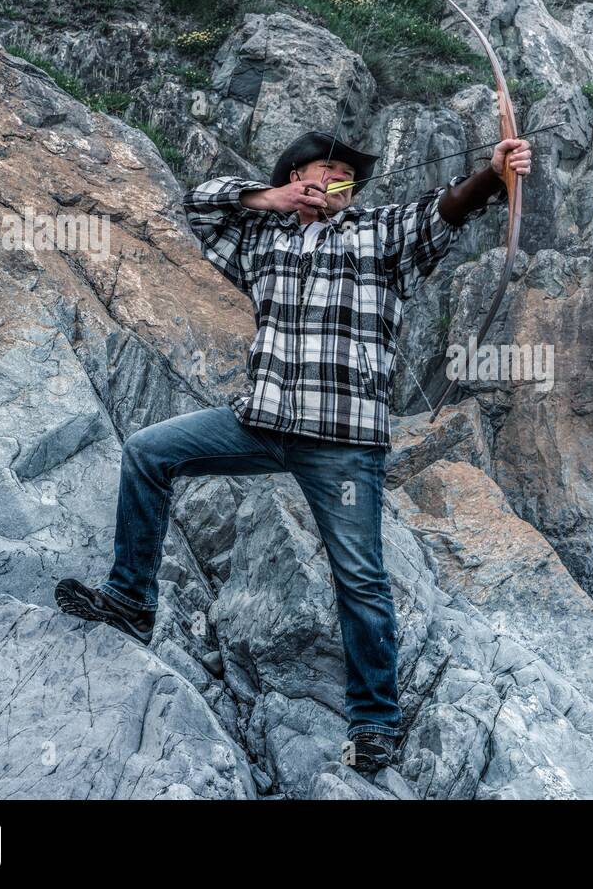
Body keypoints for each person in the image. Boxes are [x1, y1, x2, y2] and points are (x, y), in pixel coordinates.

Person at [55, 128, 532, 773]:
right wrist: (268, 199)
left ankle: (375, 723)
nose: (328, 186)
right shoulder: (261, 240)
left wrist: (493, 174)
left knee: (360, 577)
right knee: (146, 452)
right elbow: (198, 206)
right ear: (291, 179)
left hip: (342, 443)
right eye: (315, 175)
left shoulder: (376, 235)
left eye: (341, 179)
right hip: (260, 421)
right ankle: (131, 600)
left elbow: (442, 209)